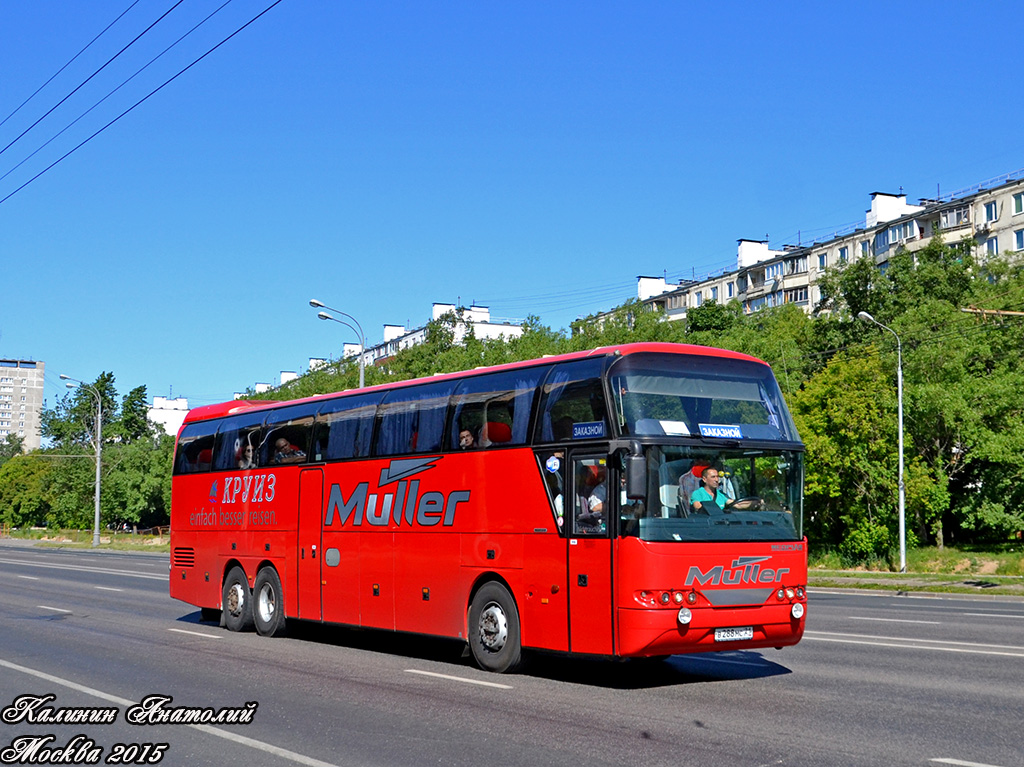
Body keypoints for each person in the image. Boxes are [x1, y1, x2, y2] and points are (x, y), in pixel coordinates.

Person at [690, 467, 757, 513]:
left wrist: (753, 503)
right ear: (704, 479)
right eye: (713, 477)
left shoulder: (721, 494)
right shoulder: (697, 493)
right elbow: (698, 507)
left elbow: (737, 504)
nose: (716, 480)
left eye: (717, 477)